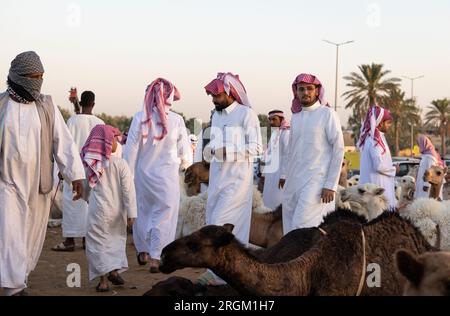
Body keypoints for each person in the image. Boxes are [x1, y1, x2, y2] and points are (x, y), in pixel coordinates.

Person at [0, 51, 85, 296]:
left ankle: (19, 278)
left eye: (40, 76)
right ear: (17, 77)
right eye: (32, 76)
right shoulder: (2, 105)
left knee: (29, 237)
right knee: (9, 235)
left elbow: (64, 143)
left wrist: (75, 175)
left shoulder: (46, 106)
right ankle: (13, 288)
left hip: (38, 185)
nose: (37, 81)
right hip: (7, 184)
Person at [123, 78, 191, 273]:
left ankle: (143, 251)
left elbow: (131, 150)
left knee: (143, 213)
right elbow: (185, 152)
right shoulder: (176, 120)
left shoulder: (139, 118)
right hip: (166, 180)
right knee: (164, 216)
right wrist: (185, 164)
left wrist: (128, 174)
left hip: (142, 177)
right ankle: (155, 257)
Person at [201, 72, 262, 285]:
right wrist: (210, 151)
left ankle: (219, 275)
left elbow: (256, 148)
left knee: (218, 226)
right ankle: (228, 275)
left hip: (236, 184)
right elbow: (214, 147)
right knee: (219, 226)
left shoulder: (246, 115)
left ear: (230, 93)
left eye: (217, 95)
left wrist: (229, 151)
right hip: (217, 182)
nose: (213, 99)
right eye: (212, 95)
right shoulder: (216, 116)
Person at [281, 73, 344, 234]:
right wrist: (285, 176)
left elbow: (339, 149)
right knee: (289, 230)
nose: (305, 92)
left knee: (302, 228)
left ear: (317, 91)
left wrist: (331, 185)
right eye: (301, 89)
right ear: (296, 92)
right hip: (294, 182)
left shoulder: (327, 114)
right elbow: (291, 151)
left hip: (316, 181)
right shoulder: (296, 117)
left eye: (310, 88)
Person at [81, 125, 137, 292]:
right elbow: (129, 190)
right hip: (117, 211)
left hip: (97, 210)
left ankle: (104, 280)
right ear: (106, 142)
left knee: (98, 244)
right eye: (113, 139)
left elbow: (86, 187)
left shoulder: (91, 165)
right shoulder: (120, 164)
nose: (116, 141)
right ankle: (113, 271)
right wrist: (132, 213)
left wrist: (83, 196)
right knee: (114, 241)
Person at [52, 91, 105, 252]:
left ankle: (69, 241)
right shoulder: (100, 122)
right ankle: (85, 241)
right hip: (93, 172)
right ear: (93, 104)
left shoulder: (72, 121)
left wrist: (62, 168)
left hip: (75, 170)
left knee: (72, 203)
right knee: (90, 205)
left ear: (80, 103)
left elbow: (66, 146)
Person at [358, 105, 397, 208]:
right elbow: (378, 166)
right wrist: (393, 169)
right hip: (378, 186)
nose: (389, 125)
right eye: (388, 123)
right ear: (380, 123)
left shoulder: (375, 139)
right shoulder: (374, 141)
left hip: (376, 186)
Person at [260, 110, 290, 209]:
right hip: (270, 175)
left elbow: (287, 155)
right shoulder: (274, 134)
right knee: (268, 203)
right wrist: (264, 174)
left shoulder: (286, 133)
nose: (271, 122)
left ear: (281, 119)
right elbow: (268, 155)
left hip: (280, 176)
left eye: (274, 119)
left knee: (279, 203)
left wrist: (284, 176)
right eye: (270, 120)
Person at [415, 134, 444, 199]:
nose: (419, 145)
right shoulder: (425, 155)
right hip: (422, 183)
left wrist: (426, 185)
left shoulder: (430, 157)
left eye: (420, 143)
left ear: (424, 143)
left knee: (426, 204)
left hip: (426, 186)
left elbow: (431, 172)